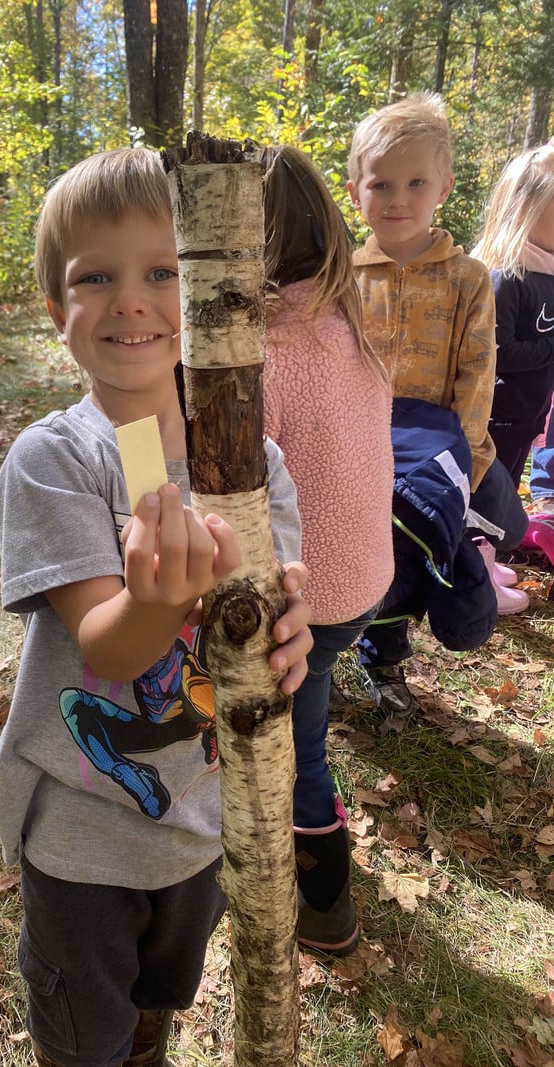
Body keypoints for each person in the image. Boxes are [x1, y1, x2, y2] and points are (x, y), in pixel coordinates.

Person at [0, 147, 313, 1067]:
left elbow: (269, 607)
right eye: (97, 277)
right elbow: (111, 647)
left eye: (163, 272)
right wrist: (154, 599)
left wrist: (287, 637)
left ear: (210, 296)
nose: (131, 301)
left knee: (157, 1004)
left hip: (206, 819)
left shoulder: (252, 465)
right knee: (83, 1033)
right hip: (85, 837)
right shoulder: (55, 460)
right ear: (56, 311)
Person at [260, 144, 394, 955]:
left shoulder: (265, 354)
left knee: (301, 753)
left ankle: (326, 907)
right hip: (366, 581)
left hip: (311, 599)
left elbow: (235, 490)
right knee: (309, 714)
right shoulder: (352, 329)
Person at [346, 91, 503, 715]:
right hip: (355, 448)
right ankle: (326, 644)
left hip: (433, 457)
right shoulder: (343, 276)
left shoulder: (468, 278)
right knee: (351, 549)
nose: (398, 198)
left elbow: (478, 373)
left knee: (406, 557)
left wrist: (466, 462)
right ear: (355, 191)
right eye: (381, 184)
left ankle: (384, 658)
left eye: (416, 182)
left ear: (444, 188)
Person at [470, 143, 554, 490]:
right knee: (487, 497)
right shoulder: (507, 278)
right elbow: (497, 352)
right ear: (524, 210)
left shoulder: (548, 275)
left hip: (527, 417)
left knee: (507, 496)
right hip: (497, 420)